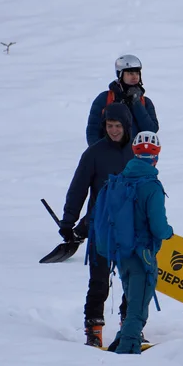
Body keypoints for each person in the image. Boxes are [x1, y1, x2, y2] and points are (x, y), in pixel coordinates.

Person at [58, 103, 135, 348]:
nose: (113, 131)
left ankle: (130, 327)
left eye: (118, 126)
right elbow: (78, 188)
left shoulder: (137, 152)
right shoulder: (94, 153)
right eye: (109, 126)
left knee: (133, 280)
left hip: (130, 228)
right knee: (99, 281)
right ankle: (94, 330)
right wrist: (69, 221)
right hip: (101, 226)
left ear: (127, 126)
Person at [102, 131, 174, 354]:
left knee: (132, 299)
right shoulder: (151, 186)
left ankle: (120, 342)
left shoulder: (121, 179)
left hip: (121, 253)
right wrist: (169, 233)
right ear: (155, 157)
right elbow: (158, 227)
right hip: (142, 254)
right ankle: (128, 349)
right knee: (138, 307)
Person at [85, 54, 160, 147]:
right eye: (130, 73)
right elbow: (93, 130)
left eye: (137, 73)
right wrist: (98, 152)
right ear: (120, 74)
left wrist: (136, 103)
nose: (135, 77)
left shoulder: (145, 102)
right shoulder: (105, 98)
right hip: (110, 154)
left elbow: (151, 130)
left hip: (136, 155)